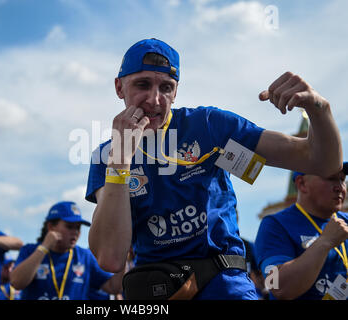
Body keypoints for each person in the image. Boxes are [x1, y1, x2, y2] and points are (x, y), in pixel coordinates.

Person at [85, 38, 343, 300]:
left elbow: (321, 162)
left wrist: (319, 108)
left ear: (176, 92)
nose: (155, 99)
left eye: (166, 87)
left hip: (225, 287)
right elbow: (110, 257)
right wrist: (121, 159)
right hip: (157, 290)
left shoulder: (207, 125)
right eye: (142, 84)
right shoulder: (106, 156)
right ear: (119, 87)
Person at [255, 163, 348, 300]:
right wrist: (324, 242)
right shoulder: (275, 225)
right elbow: (278, 287)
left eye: (342, 179)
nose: (340, 187)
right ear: (302, 184)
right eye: (331, 179)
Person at [10, 201, 123, 300]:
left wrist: (124, 250)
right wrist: (44, 247)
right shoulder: (30, 250)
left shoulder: (85, 256)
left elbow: (114, 287)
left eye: (78, 228)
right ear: (51, 227)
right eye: (69, 226)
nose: (75, 232)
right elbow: (16, 282)